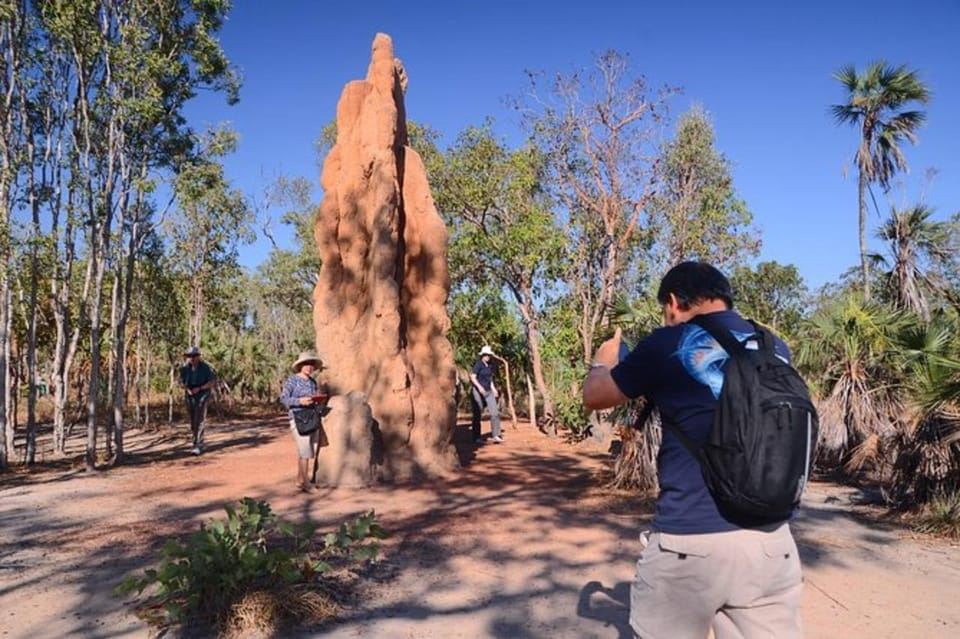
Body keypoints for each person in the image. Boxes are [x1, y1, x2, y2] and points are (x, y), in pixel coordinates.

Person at [582, 261, 803, 639]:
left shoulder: (669, 342)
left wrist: (602, 361)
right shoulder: (773, 346)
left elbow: (595, 396)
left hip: (690, 543)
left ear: (673, 302)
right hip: (772, 542)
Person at [279, 351, 328, 493]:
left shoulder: (312, 382)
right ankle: (307, 484)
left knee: (308, 449)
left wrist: (319, 399)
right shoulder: (292, 380)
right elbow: (283, 398)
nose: (309, 367)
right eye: (306, 364)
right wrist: (299, 401)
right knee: (305, 449)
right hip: (298, 417)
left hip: (312, 417)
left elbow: (314, 399)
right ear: (300, 366)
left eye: (311, 365)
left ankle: (300, 480)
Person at [179, 346, 216, 455]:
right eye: (190, 356)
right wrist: (187, 389)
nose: (192, 358)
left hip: (202, 394)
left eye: (194, 356)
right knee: (192, 419)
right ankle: (194, 440)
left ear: (198, 356)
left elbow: (212, 382)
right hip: (190, 395)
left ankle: (199, 444)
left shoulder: (205, 368)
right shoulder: (185, 369)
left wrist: (199, 388)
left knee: (199, 418)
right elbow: (180, 382)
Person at [470, 345, 503, 444]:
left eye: (489, 355)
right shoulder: (478, 364)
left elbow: (490, 379)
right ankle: (476, 437)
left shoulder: (490, 366)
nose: (487, 357)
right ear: (482, 355)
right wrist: (480, 388)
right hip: (478, 392)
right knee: (477, 414)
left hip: (488, 391)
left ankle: (496, 435)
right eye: (486, 355)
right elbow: (472, 377)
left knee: (495, 413)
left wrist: (493, 389)